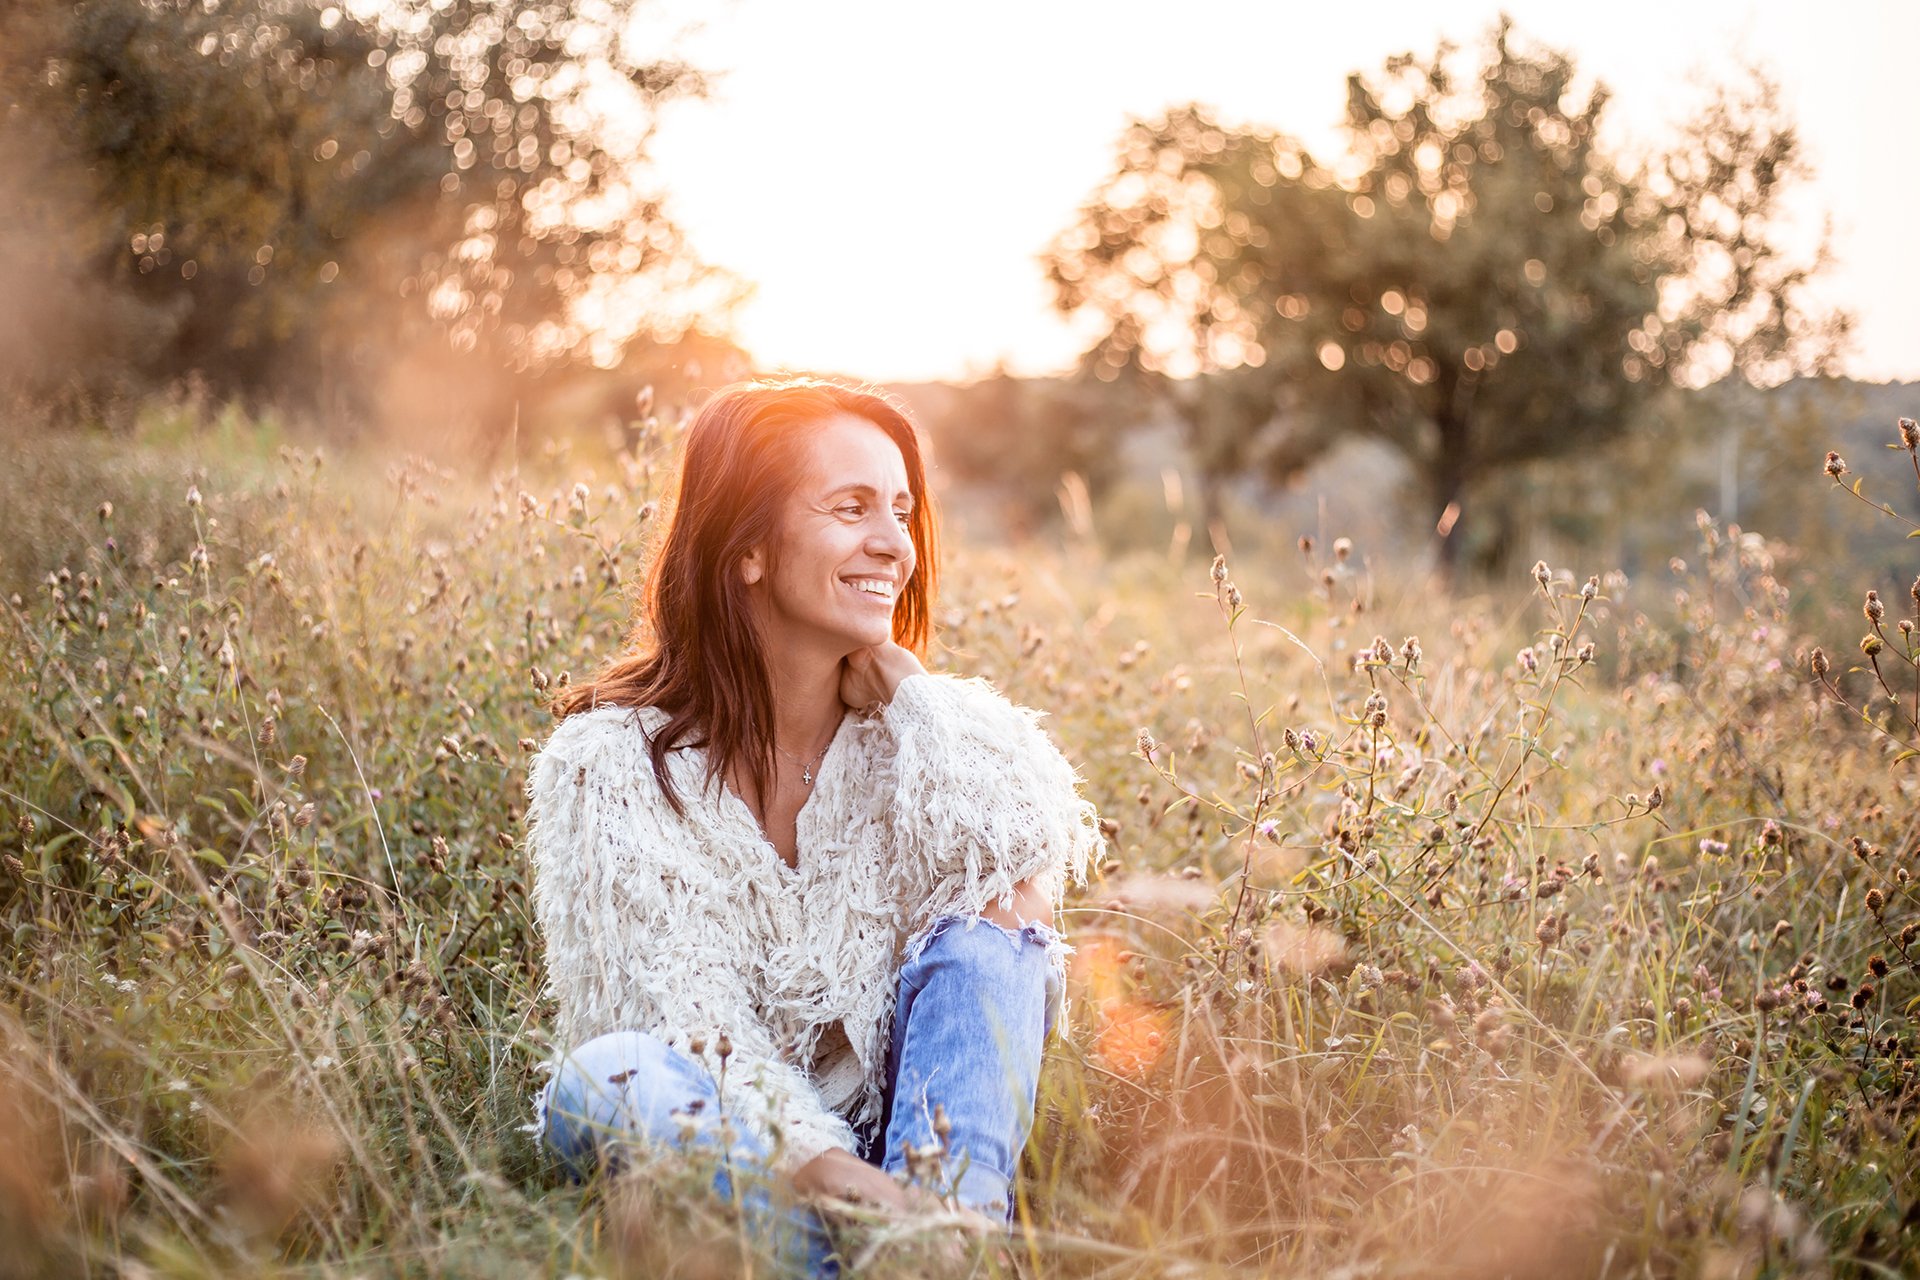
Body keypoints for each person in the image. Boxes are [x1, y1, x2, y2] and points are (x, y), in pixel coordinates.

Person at [525, 376, 1102, 1271]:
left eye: (903, 513)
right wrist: (860, 1194)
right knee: (608, 1079)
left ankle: (940, 1239)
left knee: (999, 920)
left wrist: (914, 699)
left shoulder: (917, 742)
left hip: (916, 1149)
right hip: (748, 1159)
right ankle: (932, 1256)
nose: (893, 545)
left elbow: (1027, 879)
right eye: (851, 507)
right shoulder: (608, 766)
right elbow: (685, 1026)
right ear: (748, 547)